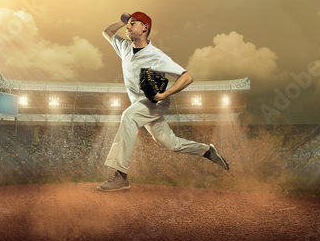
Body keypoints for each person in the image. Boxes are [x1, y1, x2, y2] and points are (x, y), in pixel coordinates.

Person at [97, 11, 229, 192]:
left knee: (128, 117)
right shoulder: (125, 48)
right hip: (140, 105)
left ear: (145, 28)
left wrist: (164, 94)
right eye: (128, 24)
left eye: (133, 23)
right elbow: (107, 32)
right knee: (171, 143)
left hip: (153, 103)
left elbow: (187, 77)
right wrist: (124, 21)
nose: (128, 27)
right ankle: (207, 151)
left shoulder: (156, 55)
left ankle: (121, 176)